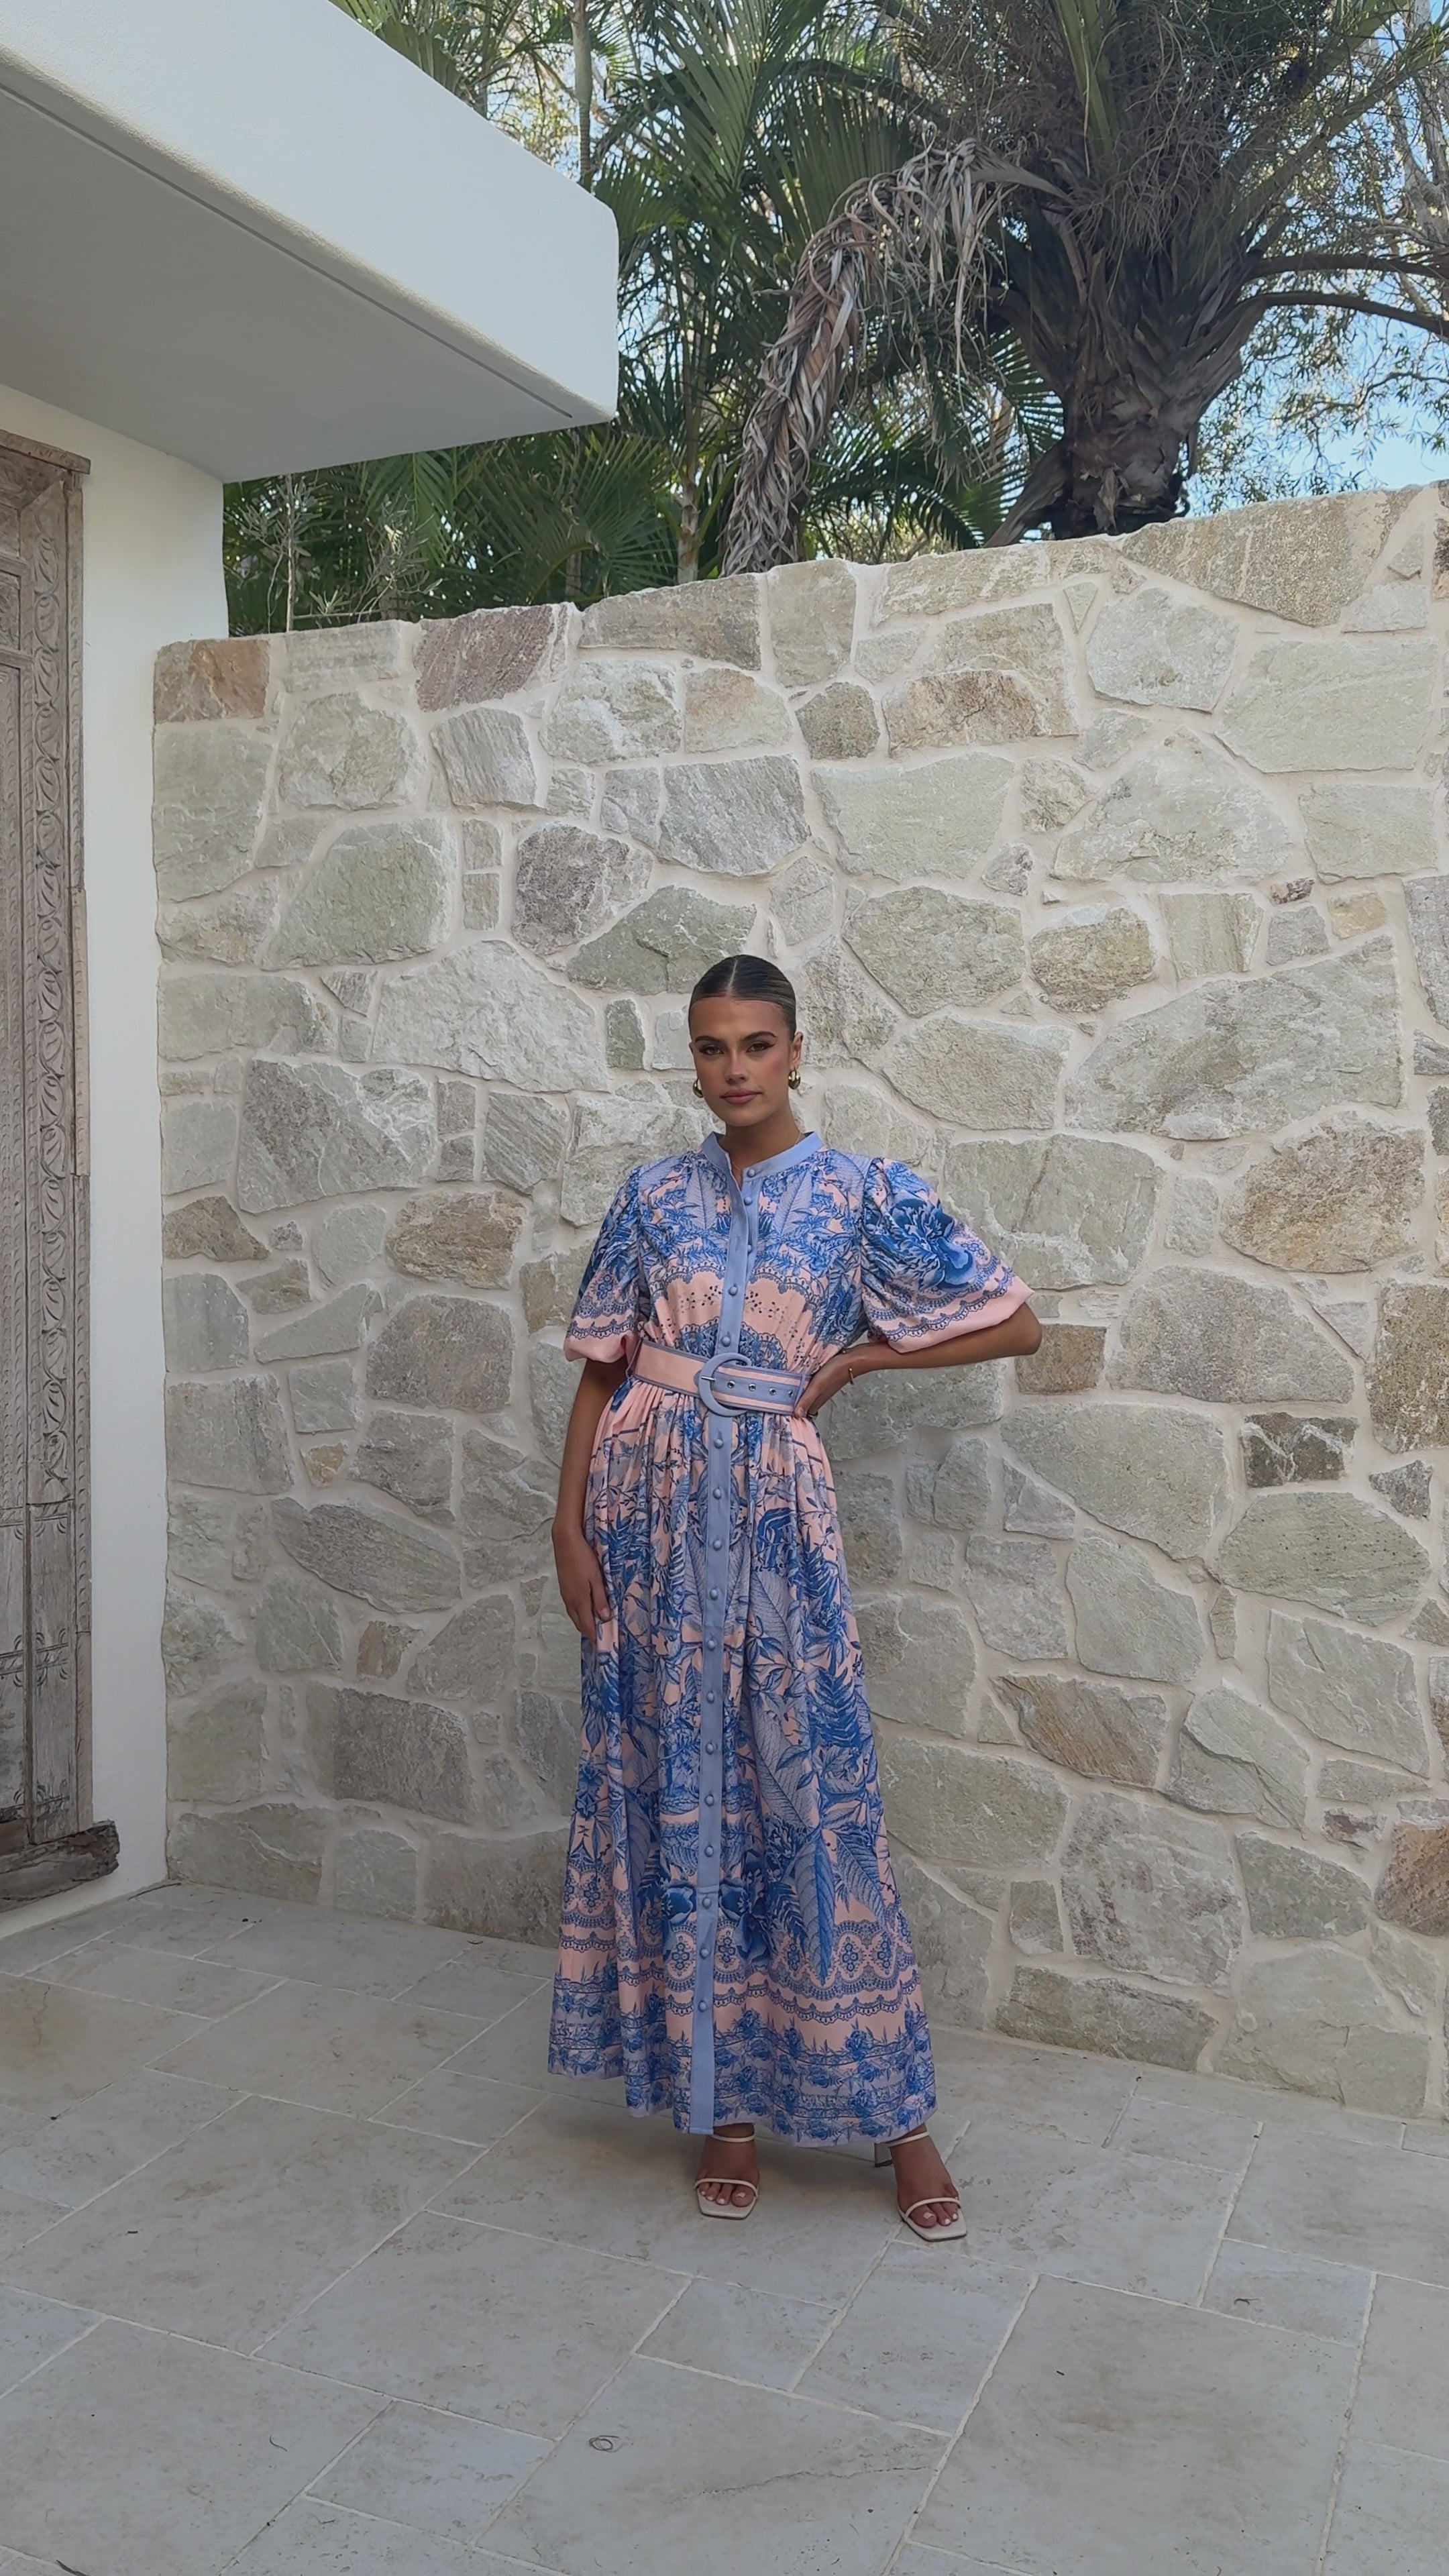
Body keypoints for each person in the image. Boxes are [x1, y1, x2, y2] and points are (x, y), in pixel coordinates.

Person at [548, 954, 1040, 2237]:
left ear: (797, 1051)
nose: (735, 1070)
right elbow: (601, 1366)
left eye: (757, 1045)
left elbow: (1015, 1321)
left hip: (775, 1521)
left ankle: (898, 2117)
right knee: (681, 1795)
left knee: (813, 1799)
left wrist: (860, 1360)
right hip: (645, 1523)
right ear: (693, 1059)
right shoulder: (652, 1196)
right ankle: (724, 2109)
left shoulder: (864, 1195)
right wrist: (568, 1525)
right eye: (712, 1048)